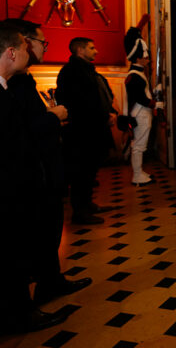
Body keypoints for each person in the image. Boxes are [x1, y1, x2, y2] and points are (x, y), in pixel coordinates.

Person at [0, 21, 68, 346]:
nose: (29, 51)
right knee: (2, 266)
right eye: (25, 46)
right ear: (11, 53)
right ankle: (11, 317)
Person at [4, 19, 93, 306]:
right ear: (25, 43)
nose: (44, 47)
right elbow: (22, 130)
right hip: (35, 172)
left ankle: (51, 280)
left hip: (46, 169)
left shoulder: (23, 78)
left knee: (50, 229)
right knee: (40, 232)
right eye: (42, 42)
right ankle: (41, 289)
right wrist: (53, 117)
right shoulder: (12, 82)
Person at [57, 37, 116, 224]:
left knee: (90, 171)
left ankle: (87, 204)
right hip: (81, 133)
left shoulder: (87, 70)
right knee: (80, 172)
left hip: (92, 130)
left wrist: (109, 113)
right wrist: (102, 116)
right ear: (80, 50)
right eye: (92, 48)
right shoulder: (71, 71)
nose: (96, 51)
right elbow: (80, 103)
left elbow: (97, 97)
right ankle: (80, 212)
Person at [123, 18, 155, 185]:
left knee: (140, 144)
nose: (148, 57)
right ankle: (136, 175)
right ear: (138, 57)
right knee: (138, 145)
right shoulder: (135, 76)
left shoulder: (138, 73)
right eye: (145, 54)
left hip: (142, 113)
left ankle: (139, 171)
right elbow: (140, 98)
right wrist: (155, 104)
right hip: (140, 113)